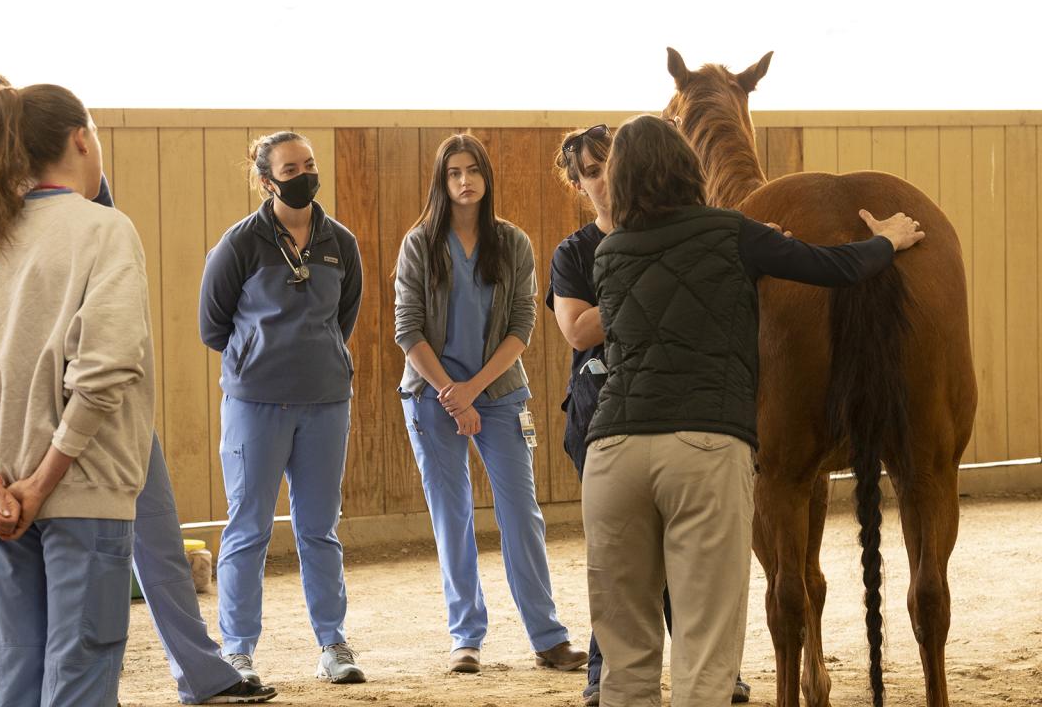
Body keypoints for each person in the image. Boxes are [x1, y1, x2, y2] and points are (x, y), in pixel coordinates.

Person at [582, 114, 924, 706]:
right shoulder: (735, 234)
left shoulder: (608, 253)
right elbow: (832, 269)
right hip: (702, 450)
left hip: (611, 456)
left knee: (625, 664)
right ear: (687, 167)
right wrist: (885, 241)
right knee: (705, 654)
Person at [0, 83, 152, 707]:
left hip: (1, 498)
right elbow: (103, 374)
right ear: (82, 138)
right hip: (82, 487)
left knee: (15, 673)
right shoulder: (104, 229)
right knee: (80, 669)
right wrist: (40, 483)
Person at [548, 124, 751, 705]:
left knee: (680, 555)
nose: (601, 179)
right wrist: (663, 289)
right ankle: (600, 670)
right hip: (600, 410)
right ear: (578, 184)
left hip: (672, 408)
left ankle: (710, 671)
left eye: (607, 163)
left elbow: (597, 319)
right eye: (587, 172)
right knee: (620, 567)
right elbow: (576, 329)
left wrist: (637, 293)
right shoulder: (576, 251)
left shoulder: (679, 231)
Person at [393, 133, 584, 675]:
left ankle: (548, 637)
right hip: (431, 397)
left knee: (521, 513)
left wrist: (472, 391)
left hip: (497, 395)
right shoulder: (419, 244)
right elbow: (407, 329)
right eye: (453, 172)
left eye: (472, 170)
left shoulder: (513, 242)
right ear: (441, 180)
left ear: (486, 177)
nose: (464, 180)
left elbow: (523, 326)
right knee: (451, 516)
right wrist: (452, 396)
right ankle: (466, 637)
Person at [198, 130, 366, 686]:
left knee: (319, 528)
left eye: (309, 165)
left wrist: (315, 357)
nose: (304, 176)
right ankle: (238, 651)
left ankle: (333, 645)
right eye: (290, 169)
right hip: (256, 404)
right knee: (248, 527)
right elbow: (212, 325)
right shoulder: (239, 243)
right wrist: (260, 357)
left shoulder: (339, 241)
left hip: (325, 402)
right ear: (267, 181)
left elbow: (345, 317)